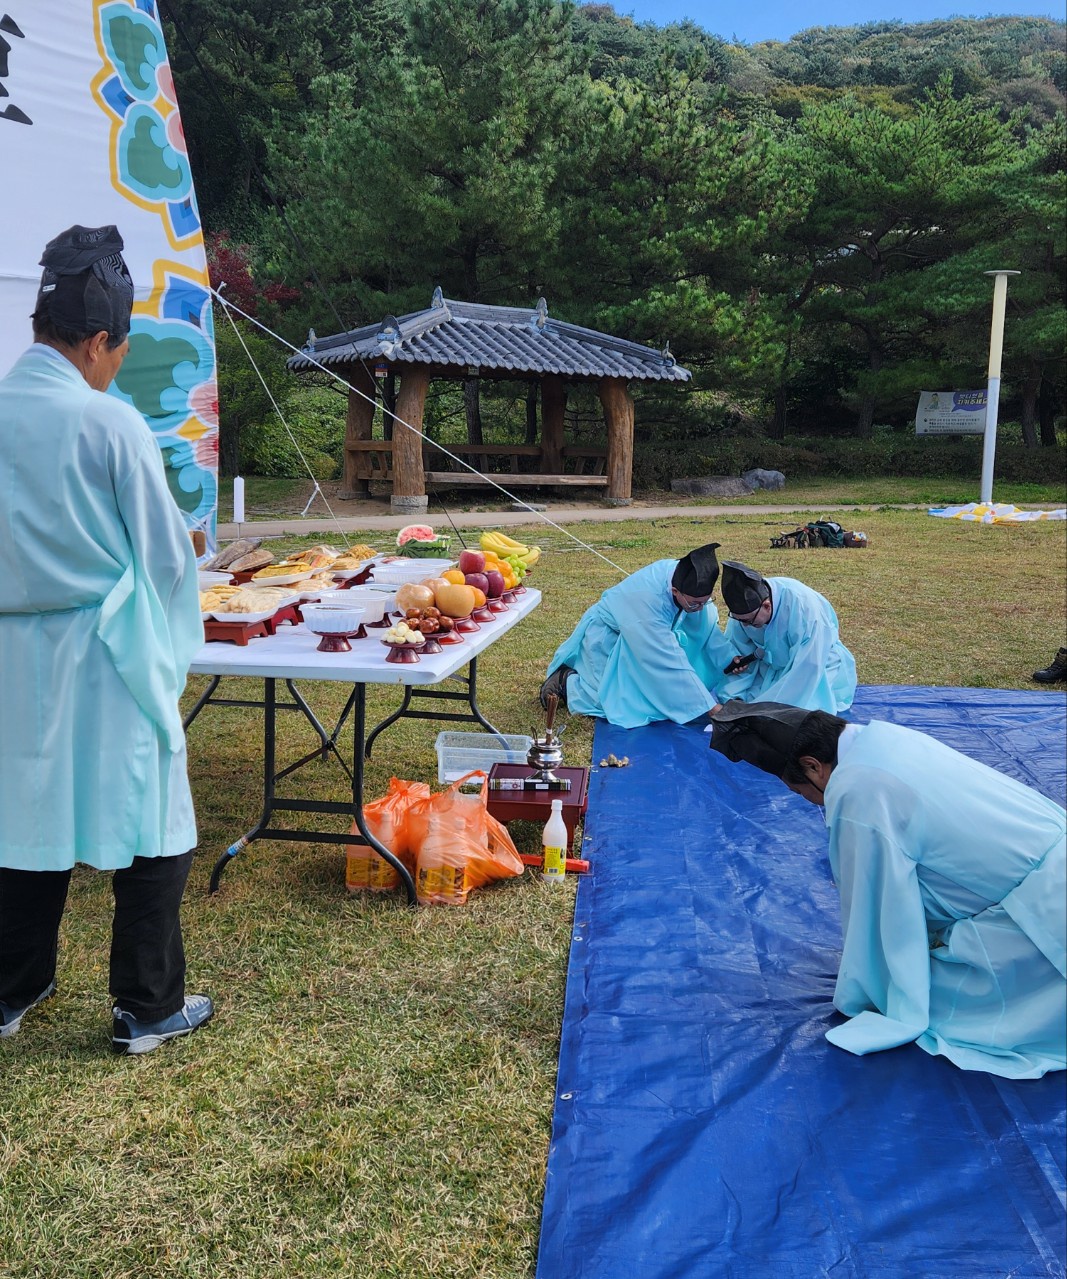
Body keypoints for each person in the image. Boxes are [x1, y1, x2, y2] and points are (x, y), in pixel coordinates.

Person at [0, 225, 212, 1054]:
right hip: (105, 646)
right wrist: (173, 617)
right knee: (154, 816)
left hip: (13, 655)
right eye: (117, 352)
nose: (115, 366)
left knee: (23, 812)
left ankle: (11, 986)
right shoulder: (107, 422)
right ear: (97, 341)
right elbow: (162, 559)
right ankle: (146, 1005)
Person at [709, 699, 1067, 1079]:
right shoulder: (882, 738)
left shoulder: (858, 793)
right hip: (1052, 854)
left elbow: (877, 908)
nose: (811, 801)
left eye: (800, 792)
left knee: (934, 997)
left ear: (813, 766)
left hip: (1042, 921)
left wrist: (864, 994)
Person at [540, 542, 734, 728]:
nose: (699, 608)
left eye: (705, 601)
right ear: (675, 591)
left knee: (659, 696)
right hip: (611, 638)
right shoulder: (647, 602)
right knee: (615, 703)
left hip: (647, 641)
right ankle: (566, 681)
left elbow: (707, 627)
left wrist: (729, 659)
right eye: (694, 603)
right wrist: (711, 708)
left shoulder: (687, 581)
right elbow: (666, 662)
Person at [716, 560, 857, 713]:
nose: (745, 626)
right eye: (740, 620)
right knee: (737, 699)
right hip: (771, 669)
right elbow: (738, 648)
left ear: (767, 606)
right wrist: (737, 663)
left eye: (749, 621)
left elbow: (810, 664)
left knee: (797, 711)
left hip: (815, 667)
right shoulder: (744, 615)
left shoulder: (804, 609)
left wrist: (774, 706)